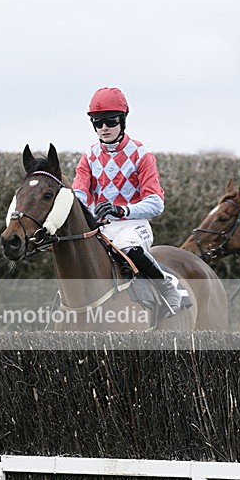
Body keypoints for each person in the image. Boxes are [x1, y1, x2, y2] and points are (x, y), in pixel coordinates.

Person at [72, 86, 181, 316]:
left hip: (134, 224)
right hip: (100, 227)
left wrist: (121, 210)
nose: (104, 128)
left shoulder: (142, 155)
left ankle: (167, 289)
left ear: (123, 120)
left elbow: (156, 203)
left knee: (127, 248)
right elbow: (79, 194)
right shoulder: (89, 157)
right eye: (98, 122)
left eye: (110, 121)